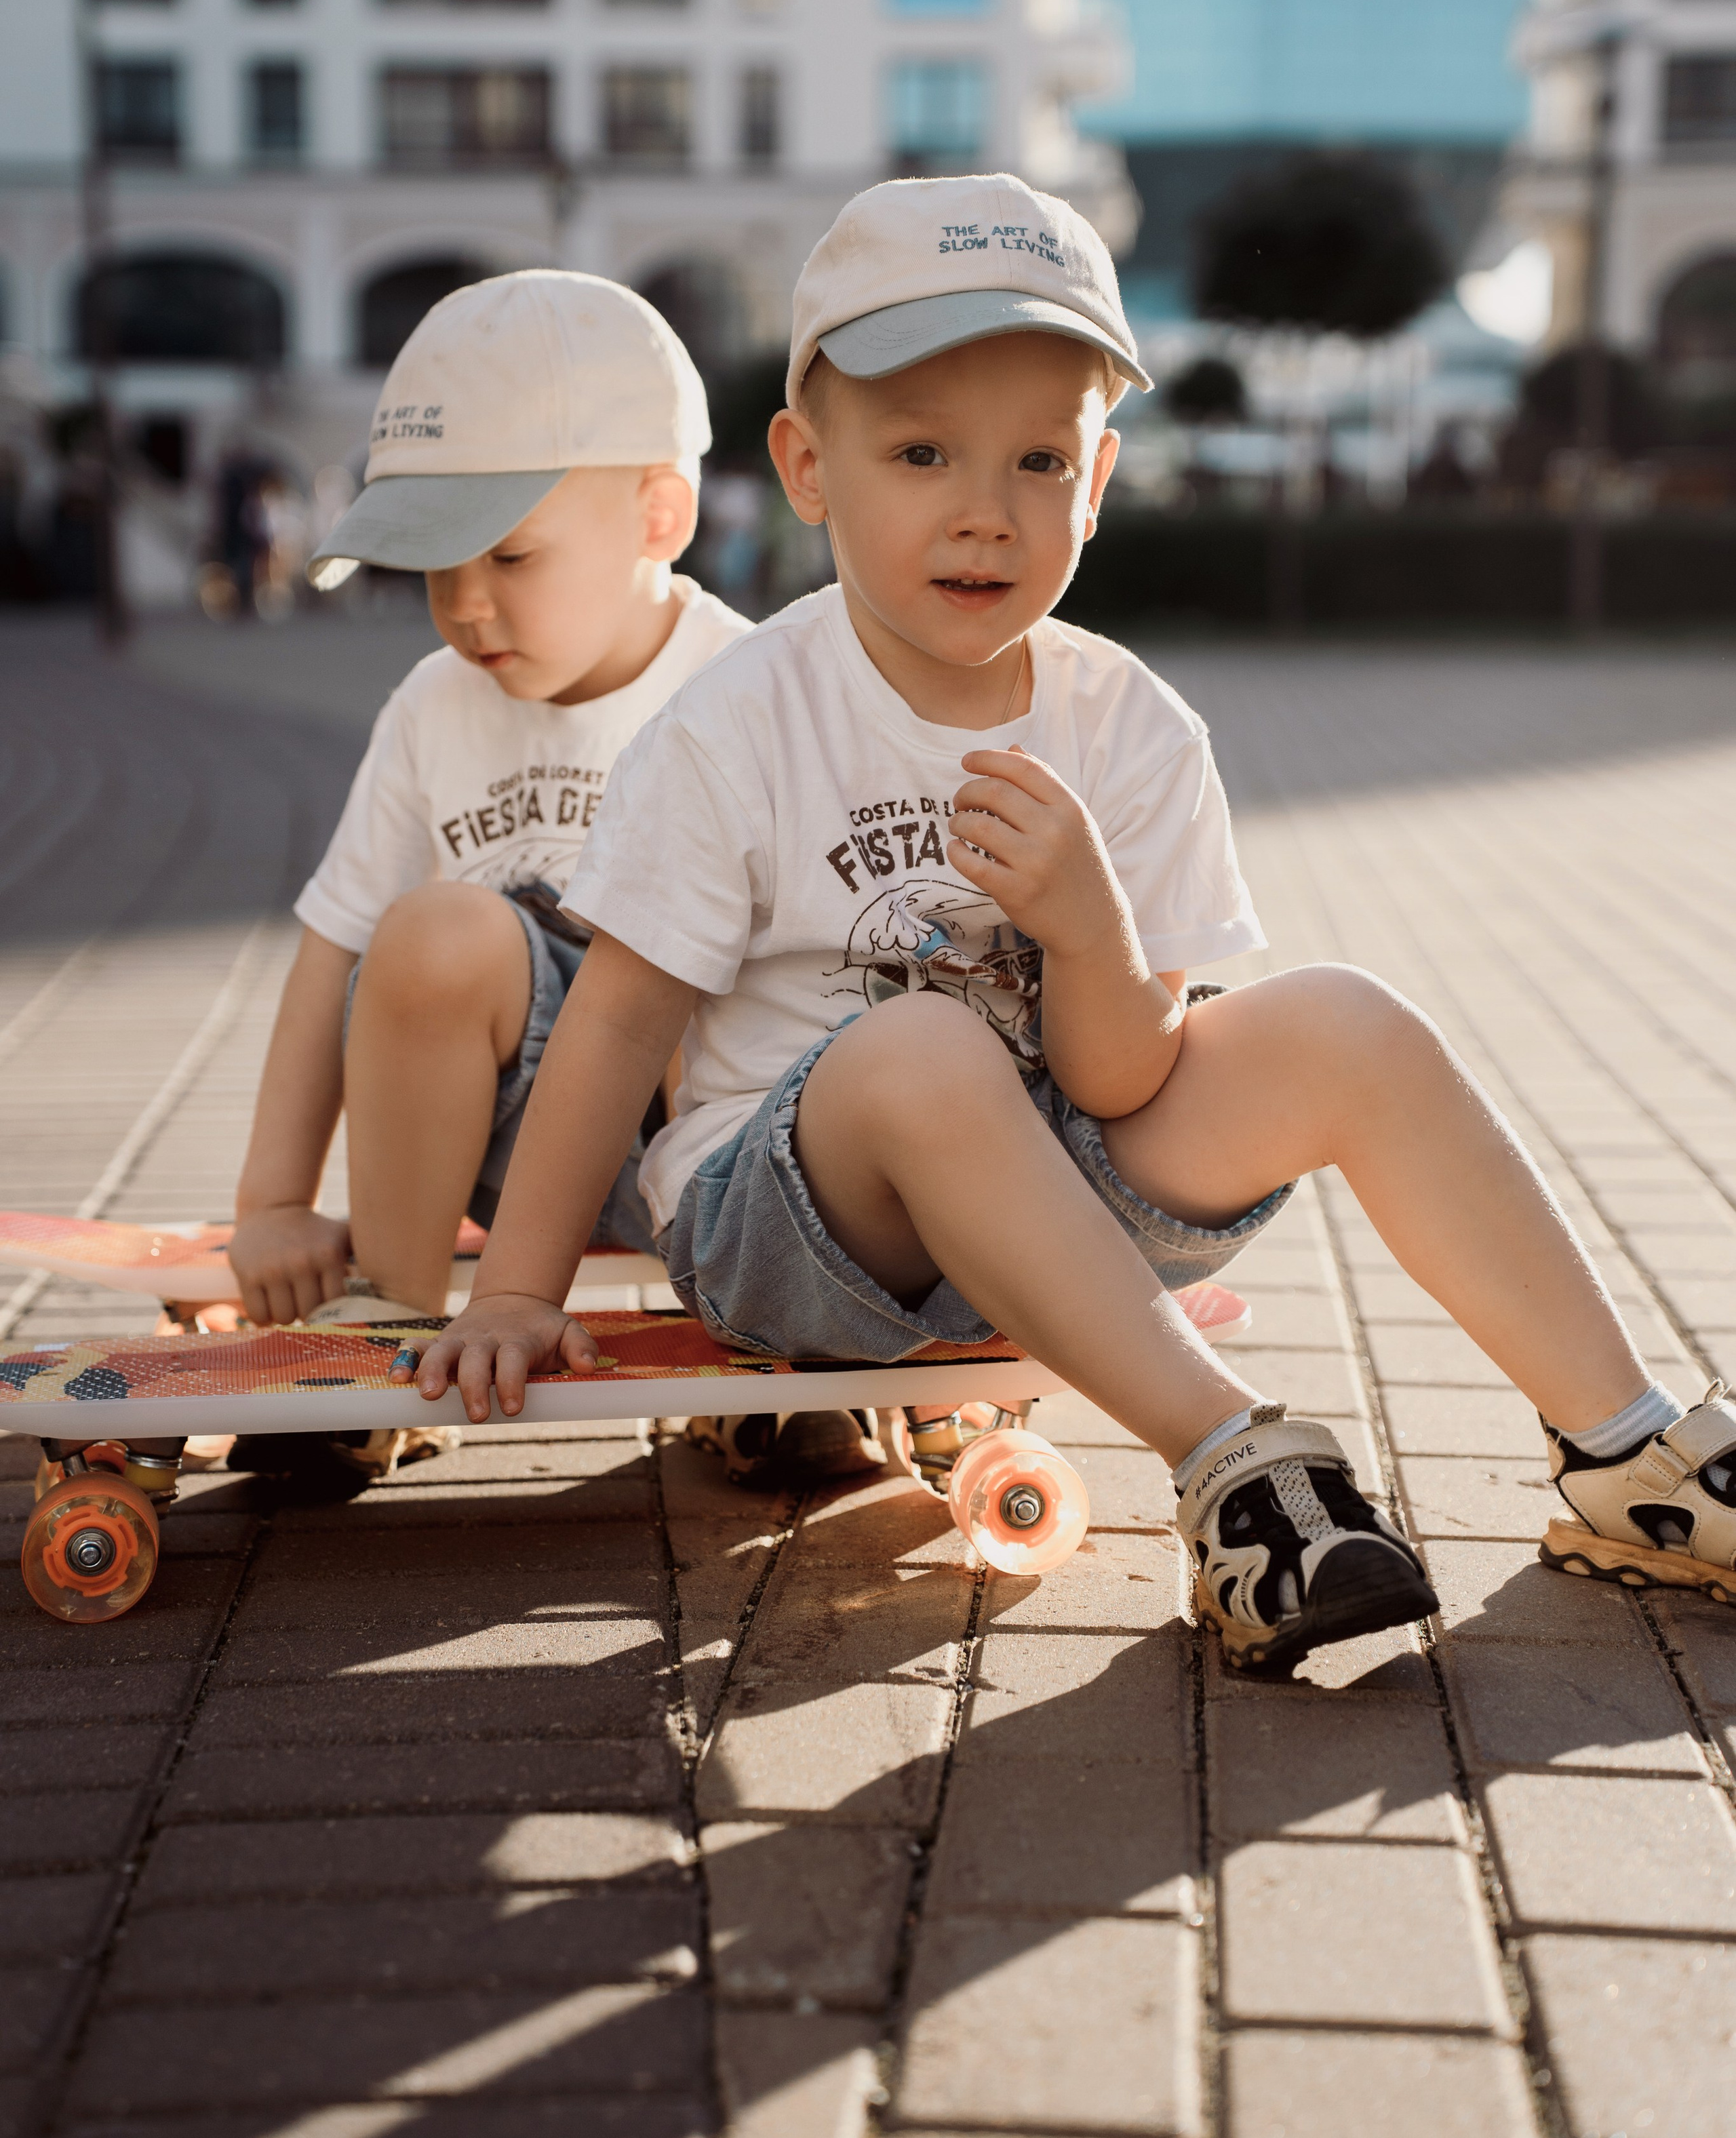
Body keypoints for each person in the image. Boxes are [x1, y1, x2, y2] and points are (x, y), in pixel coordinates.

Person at [404, 180, 1736, 1676]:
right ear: (806, 467)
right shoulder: (736, 726)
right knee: (914, 1050)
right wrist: (515, 1294)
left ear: (1096, 482)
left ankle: (1628, 1454)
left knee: (1345, 1019)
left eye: (1039, 458)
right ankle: (1232, 1465)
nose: (986, 508)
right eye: (920, 452)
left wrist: (1092, 931)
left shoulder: (1129, 728)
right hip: (785, 1223)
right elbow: (618, 1025)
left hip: (1047, 1191)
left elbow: (1115, 1083)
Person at [224, 271, 750, 1476]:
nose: (463, 603)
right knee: (430, 935)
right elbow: (333, 942)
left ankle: (771, 1349)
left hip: (720, 1154)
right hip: (510, 1139)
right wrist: (273, 1204)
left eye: (510, 554)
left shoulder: (749, 683)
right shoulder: (434, 707)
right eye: (430, 564)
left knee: (707, 961)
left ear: (658, 519)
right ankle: (389, 1324)